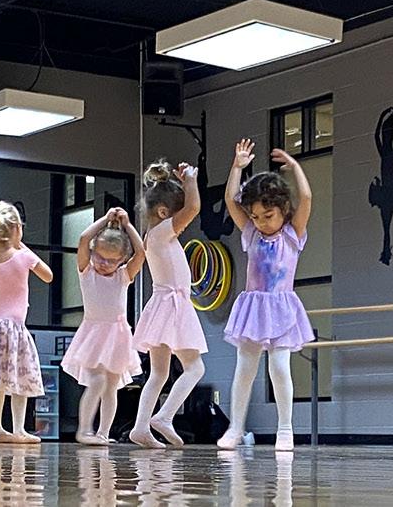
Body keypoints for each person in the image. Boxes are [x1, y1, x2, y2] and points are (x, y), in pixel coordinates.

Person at [216, 139, 317, 452]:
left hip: (281, 307)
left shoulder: (292, 234)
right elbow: (231, 200)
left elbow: (306, 197)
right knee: (245, 369)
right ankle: (235, 427)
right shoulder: (251, 233)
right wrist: (237, 167)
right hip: (254, 306)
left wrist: (295, 167)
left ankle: (285, 429)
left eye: (268, 215)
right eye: (256, 216)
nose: (261, 222)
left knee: (280, 368)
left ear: (283, 210)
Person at [128, 163, 209, 450]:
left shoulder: (154, 235)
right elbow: (194, 208)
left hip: (163, 305)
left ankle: (141, 427)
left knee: (159, 373)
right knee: (195, 368)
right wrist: (191, 181)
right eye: (178, 220)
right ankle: (164, 416)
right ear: (164, 213)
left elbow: (189, 211)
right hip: (173, 305)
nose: (182, 226)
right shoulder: (161, 232)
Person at [0, 201, 55, 444]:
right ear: (17, 228)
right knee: (21, 378)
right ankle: (18, 429)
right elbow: (48, 276)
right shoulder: (23, 256)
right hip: (13, 328)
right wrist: (22, 247)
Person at [62, 208, 144, 446]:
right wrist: (105, 220)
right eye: (99, 256)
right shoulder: (87, 272)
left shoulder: (122, 276)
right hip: (94, 334)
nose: (103, 263)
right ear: (93, 252)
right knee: (97, 381)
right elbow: (83, 239)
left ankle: (103, 433)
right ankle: (84, 430)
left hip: (118, 335)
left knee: (111, 388)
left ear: (121, 260)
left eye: (111, 260)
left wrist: (128, 225)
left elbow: (141, 252)